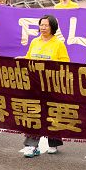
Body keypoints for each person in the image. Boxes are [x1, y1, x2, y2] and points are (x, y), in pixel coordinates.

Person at [22, 15, 69, 157]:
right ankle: (31, 145)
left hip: (51, 85)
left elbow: (65, 63)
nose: (43, 27)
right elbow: (28, 58)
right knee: (34, 114)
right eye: (41, 25)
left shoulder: (58, 44)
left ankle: (53, 143)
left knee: (52, 113)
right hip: (35, 85)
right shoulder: (34, 42)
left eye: (46, 25)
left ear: (52, 27)